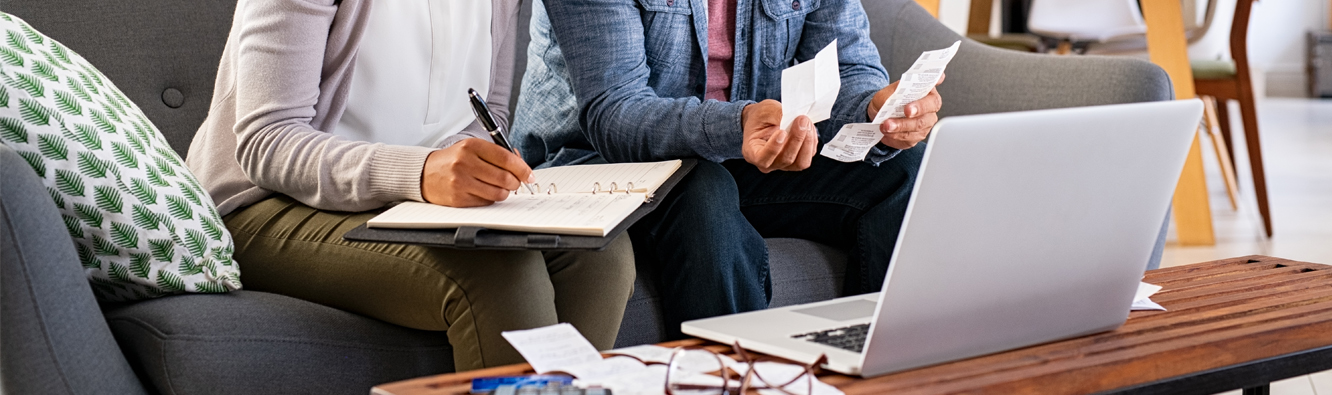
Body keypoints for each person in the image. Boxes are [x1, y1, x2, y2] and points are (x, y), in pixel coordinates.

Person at [186, 0, 636, 370]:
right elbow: (269, 142)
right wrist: (421, 173)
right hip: (266, 204)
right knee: (500, 275)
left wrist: (476, 164)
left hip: (411, 202)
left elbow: (486, 115)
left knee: (600, 257)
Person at [512, 0, 943, 338]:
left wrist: (877, 112)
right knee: (703, 189)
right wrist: (738, 125)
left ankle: (873, 371)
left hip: (743, 151)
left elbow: (847, 66)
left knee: (903, 169)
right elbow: (616, 112)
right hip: (596, 165)